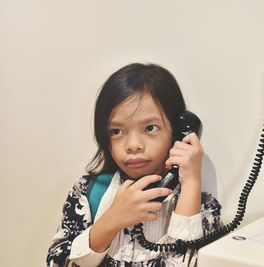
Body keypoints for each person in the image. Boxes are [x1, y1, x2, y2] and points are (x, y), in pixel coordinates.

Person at [46, 63, 222, 267]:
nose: (133, 145)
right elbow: (56, 262)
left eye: (150, 128)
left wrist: (190, 184)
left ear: (176, 133)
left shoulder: (201, 209)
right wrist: (110, 221)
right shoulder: (88, 193)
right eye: (117, 132)